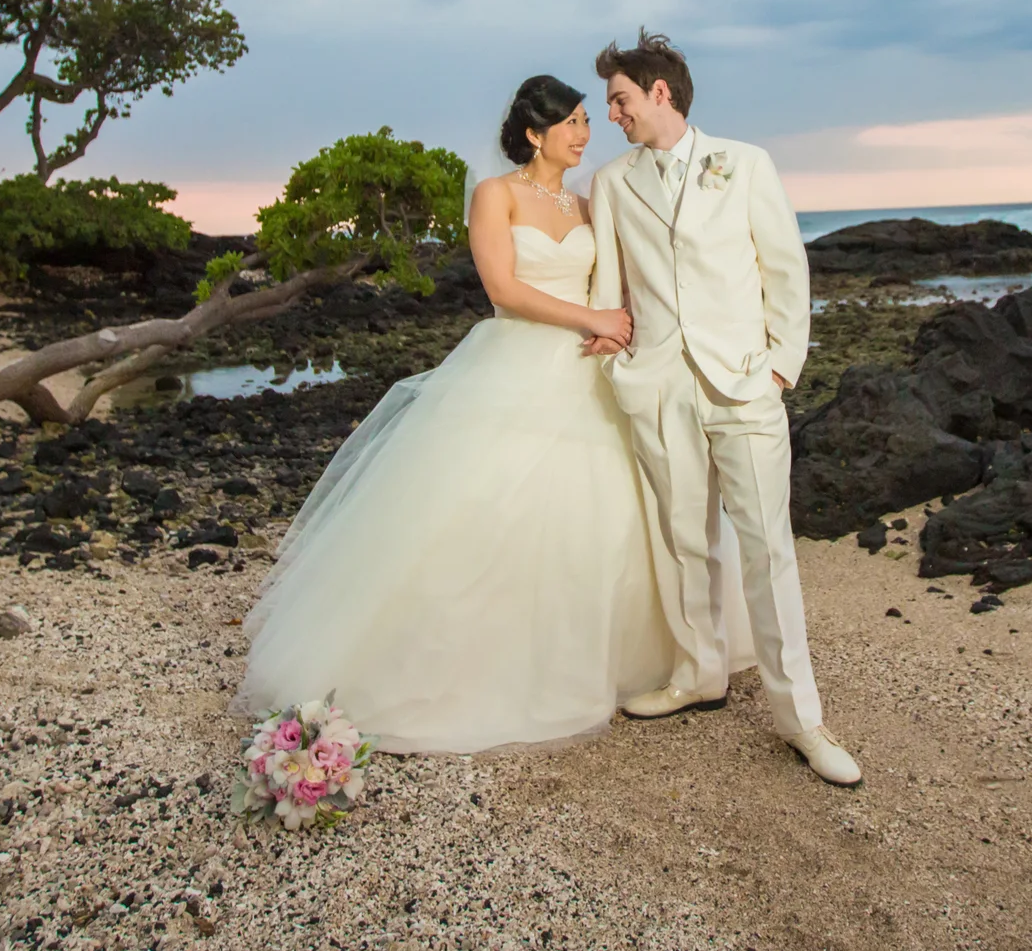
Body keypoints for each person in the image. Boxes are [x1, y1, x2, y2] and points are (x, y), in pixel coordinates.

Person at [235, 75, 736, 753]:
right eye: (572, 123)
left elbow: (623, 282)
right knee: (484, 510)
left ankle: (632, 659)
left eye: (589, 119)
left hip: (590, 370)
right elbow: (504, 288)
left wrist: (629, 324)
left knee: (609, 516)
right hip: (513, 362)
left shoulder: (593, 204)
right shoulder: (494, 195)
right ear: (534, 133)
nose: (585, 132)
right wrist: (590, 315)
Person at [587, 30, 863, 787]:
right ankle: (698, 671)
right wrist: (626, 372)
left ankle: (801, 719)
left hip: (744, 384)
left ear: (659, 92)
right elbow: (609, 292)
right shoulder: (613, 182)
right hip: (660, 388)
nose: (611, 114)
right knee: (683, 541)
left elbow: (785, 267)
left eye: (619, 99)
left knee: (768, 550)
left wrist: (779, 368)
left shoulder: (746, 163)